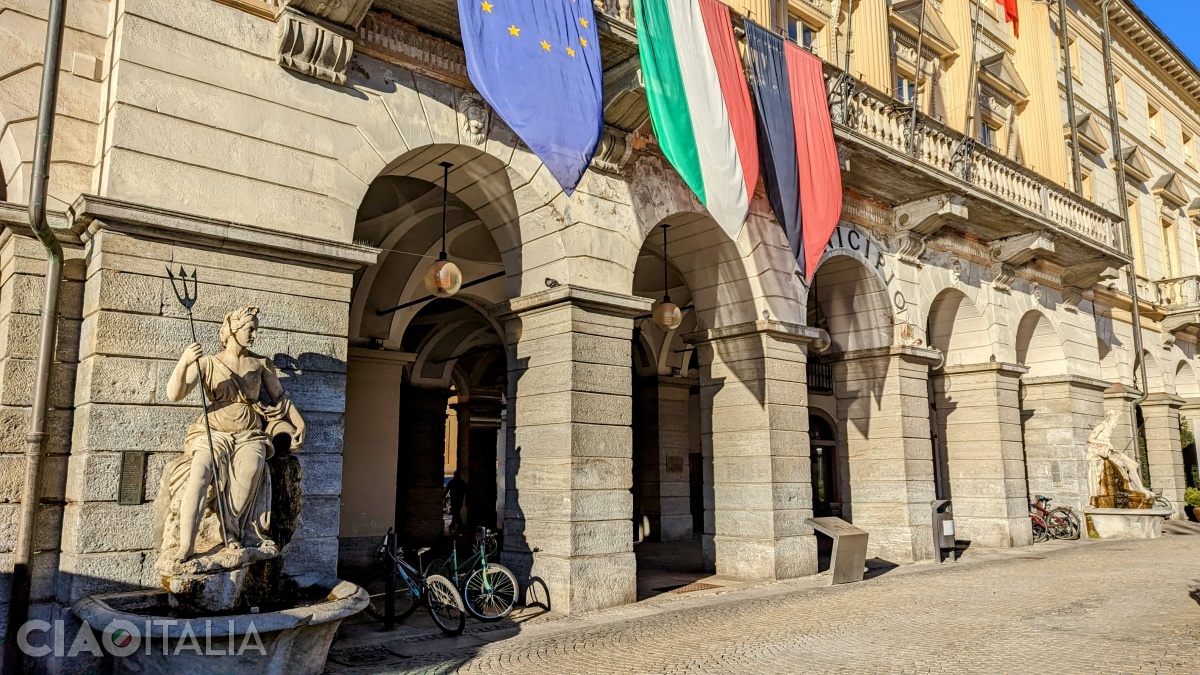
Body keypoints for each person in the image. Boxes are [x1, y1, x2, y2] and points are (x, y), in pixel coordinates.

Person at [155, 306, 306, 573]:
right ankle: (186, 545)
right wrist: (184, 361)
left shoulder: (261, 363)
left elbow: (279, 397)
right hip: (213, 433)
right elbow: (174, 394)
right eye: (250, 329)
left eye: (256, 330)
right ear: (233, 330)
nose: (254, 335)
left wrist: (299, 422)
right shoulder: (207, 363)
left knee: (251, 468)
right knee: (200, 473)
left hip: (249, 434)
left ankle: (231, 532)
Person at [445, 470, 468, 534]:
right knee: (456, 513)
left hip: (454, 500)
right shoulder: (462, 483)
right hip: (459, 500)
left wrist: (443, 497)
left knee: (456, 513)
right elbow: (466, 492)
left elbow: (446, 490)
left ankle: (458, 527)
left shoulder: (452, 482)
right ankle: (455, 525)